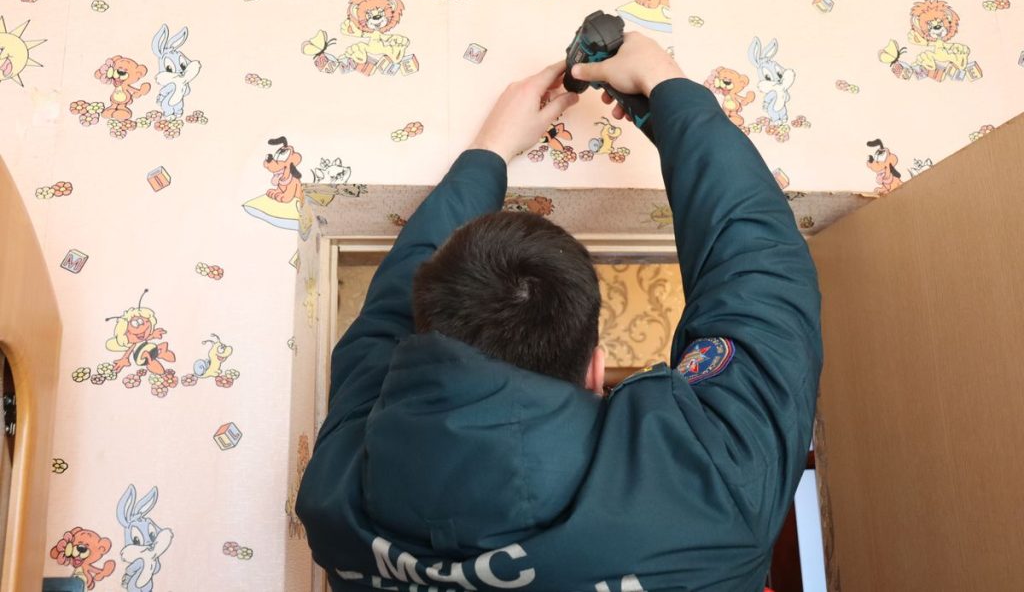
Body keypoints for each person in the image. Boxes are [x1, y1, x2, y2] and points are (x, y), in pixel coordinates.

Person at [296, 33, 823, 592]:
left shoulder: (335, 493)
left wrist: (490, 151)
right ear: (596, 371)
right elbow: (759, 278)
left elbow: (387, 319)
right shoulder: (714, 495)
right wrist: (669, 90)